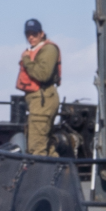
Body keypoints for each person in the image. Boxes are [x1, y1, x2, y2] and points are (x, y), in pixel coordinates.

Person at [16, 19, 61, 156]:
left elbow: (43, 74)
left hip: (43, 101)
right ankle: (57, 175)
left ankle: (40, 177)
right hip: (39, 102)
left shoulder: (48, 49)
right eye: (28, 34)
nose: (31, 37)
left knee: (37, 149)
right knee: (46, 147)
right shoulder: (34, 50)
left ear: (42, 33)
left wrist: (27, 61)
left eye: (34, 33)